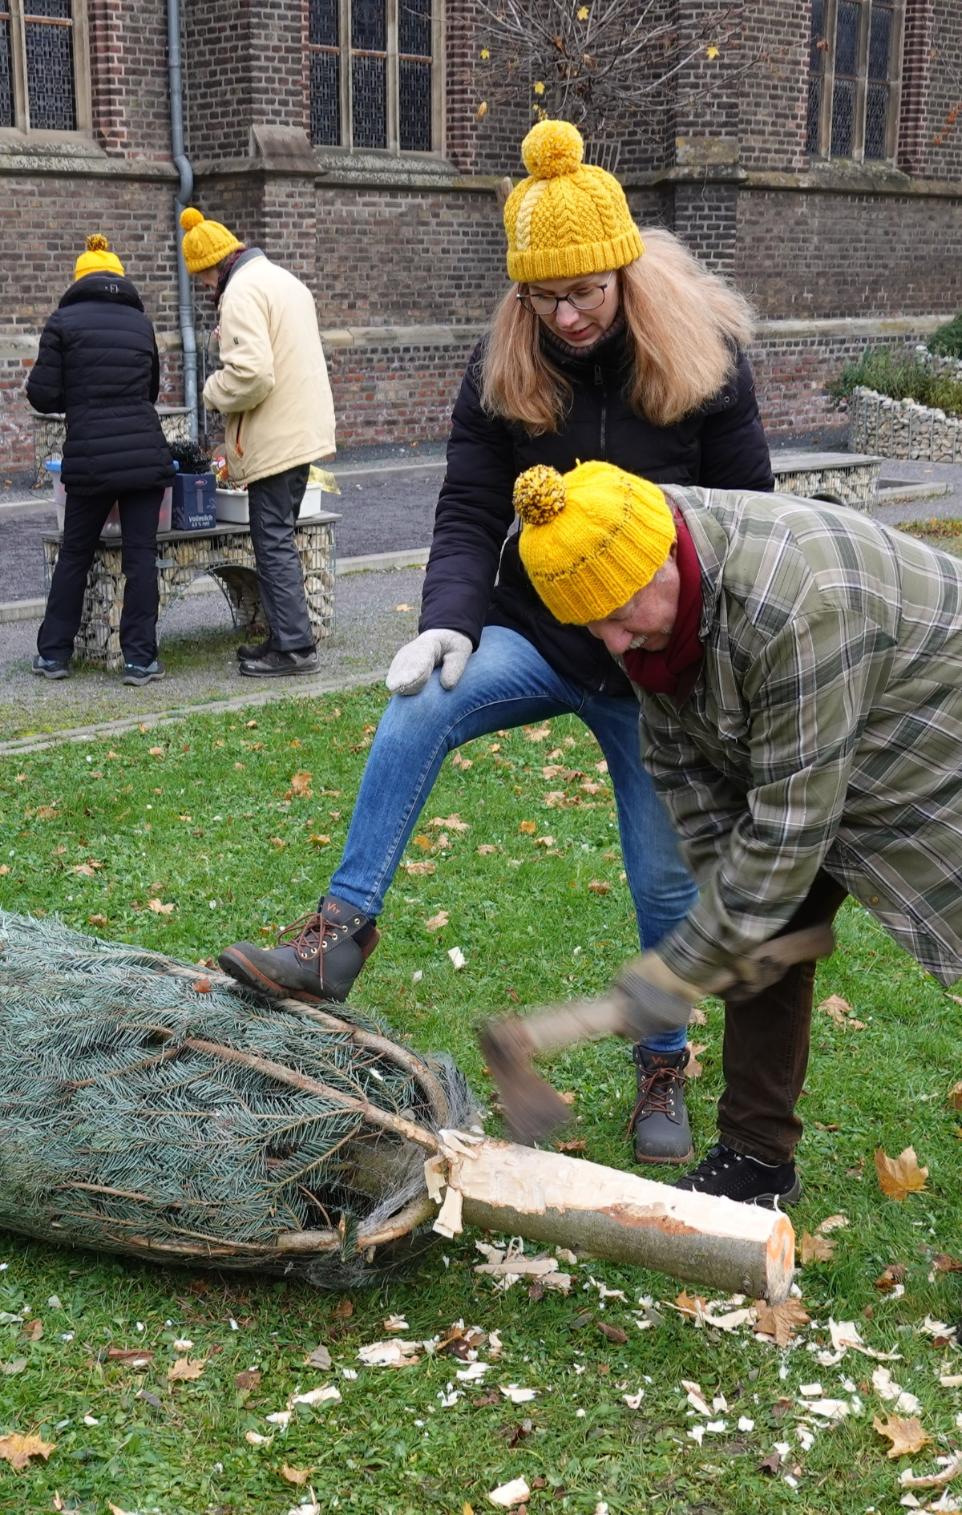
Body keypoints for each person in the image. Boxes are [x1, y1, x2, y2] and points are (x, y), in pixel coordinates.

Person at [218, 117, 775, 1166]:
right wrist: (445, 620)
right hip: (535, 632)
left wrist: (709, 660)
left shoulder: (702, 358)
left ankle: (660, 1060)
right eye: (541, 296)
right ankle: (337, 935)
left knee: (661, 881)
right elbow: (470, 503)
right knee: (415, 708)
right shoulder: (505, 358)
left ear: (620, 273)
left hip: (653, 667)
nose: (564, 316)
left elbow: (749, 519)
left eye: (584, 293)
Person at [509, 454, 962, 1203]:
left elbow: (788, 833)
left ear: (666, 561)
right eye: (592, 627)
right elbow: (682, 760)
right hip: (820, 723)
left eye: (621, 616)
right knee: (752, 912)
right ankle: (756, 1160)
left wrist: (680, 965)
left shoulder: (793, 605)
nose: (615, 644)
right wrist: (728, 925)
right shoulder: (631, 561)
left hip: (932, 714)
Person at [180, 206, 335, 677]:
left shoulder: (240, 293)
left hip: (277, 436)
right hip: (301, 429)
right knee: (278, 537)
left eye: (202, 280)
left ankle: (292, 649)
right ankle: (285, 639)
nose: (205, 289)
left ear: (211, 266)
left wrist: (211, 391)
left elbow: (252, 375)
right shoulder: (281, 279)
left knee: (272, 542)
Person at [28, 233, 174, 686]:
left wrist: (80, 396)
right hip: (143, 453)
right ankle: (140, 660)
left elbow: (41, 394)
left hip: (90, 456)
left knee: (75, 553)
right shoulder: (140, 323)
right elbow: (149, 390)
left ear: (80, 280)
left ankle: (53, 655)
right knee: (141, 557)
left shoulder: (62, 322)